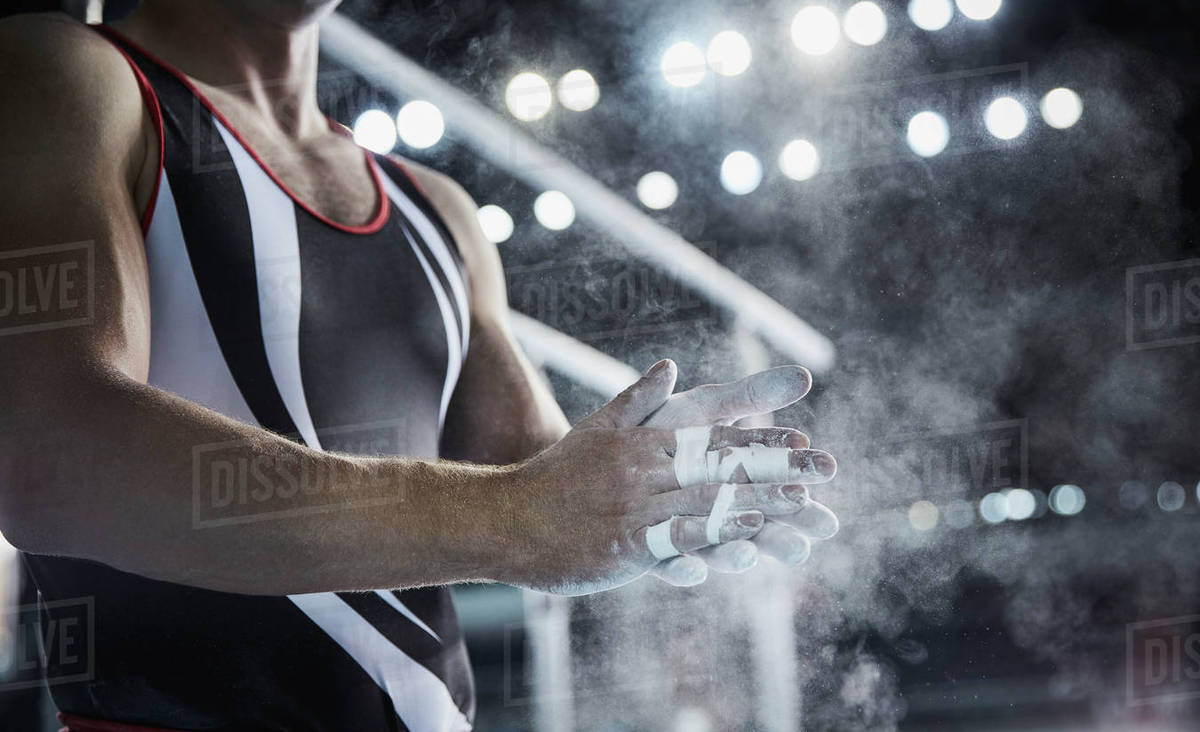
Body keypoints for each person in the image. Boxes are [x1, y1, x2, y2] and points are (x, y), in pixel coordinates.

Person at [0, 2, 840, 729]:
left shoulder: (438, 209)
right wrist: (521, 516)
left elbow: (546, 480)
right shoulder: (70, 75)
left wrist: (662, 484)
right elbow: (47, 454)